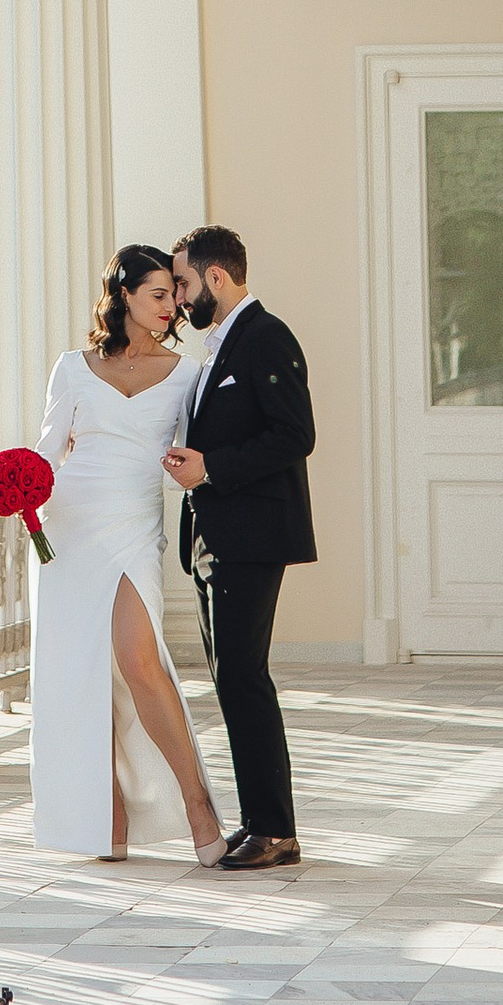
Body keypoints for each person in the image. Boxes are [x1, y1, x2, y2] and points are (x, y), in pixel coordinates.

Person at [28, 244, 231, 862]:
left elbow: (186, 463)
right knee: (84, 677)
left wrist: (185, 471)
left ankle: (197, 805)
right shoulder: (72, 367)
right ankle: (105, 822)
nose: (174, 306)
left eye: (175, 294)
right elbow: (46, 453)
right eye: (160, 295)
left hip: (134, 526)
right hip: (69, 526)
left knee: (139, 661)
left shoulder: (186, 375)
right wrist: (18, 484)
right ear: (125, 297)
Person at [163, 224, 315, 873]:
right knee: (233, 679)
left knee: (243, 679)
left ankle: (274, 830)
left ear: (216, 278)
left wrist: (213, 469)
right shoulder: (218, 347)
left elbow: (295, 434)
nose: (179, 297)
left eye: (185, 284)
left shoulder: (266, 336)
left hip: (251, 538)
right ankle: (262, 823)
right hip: (213, 539)